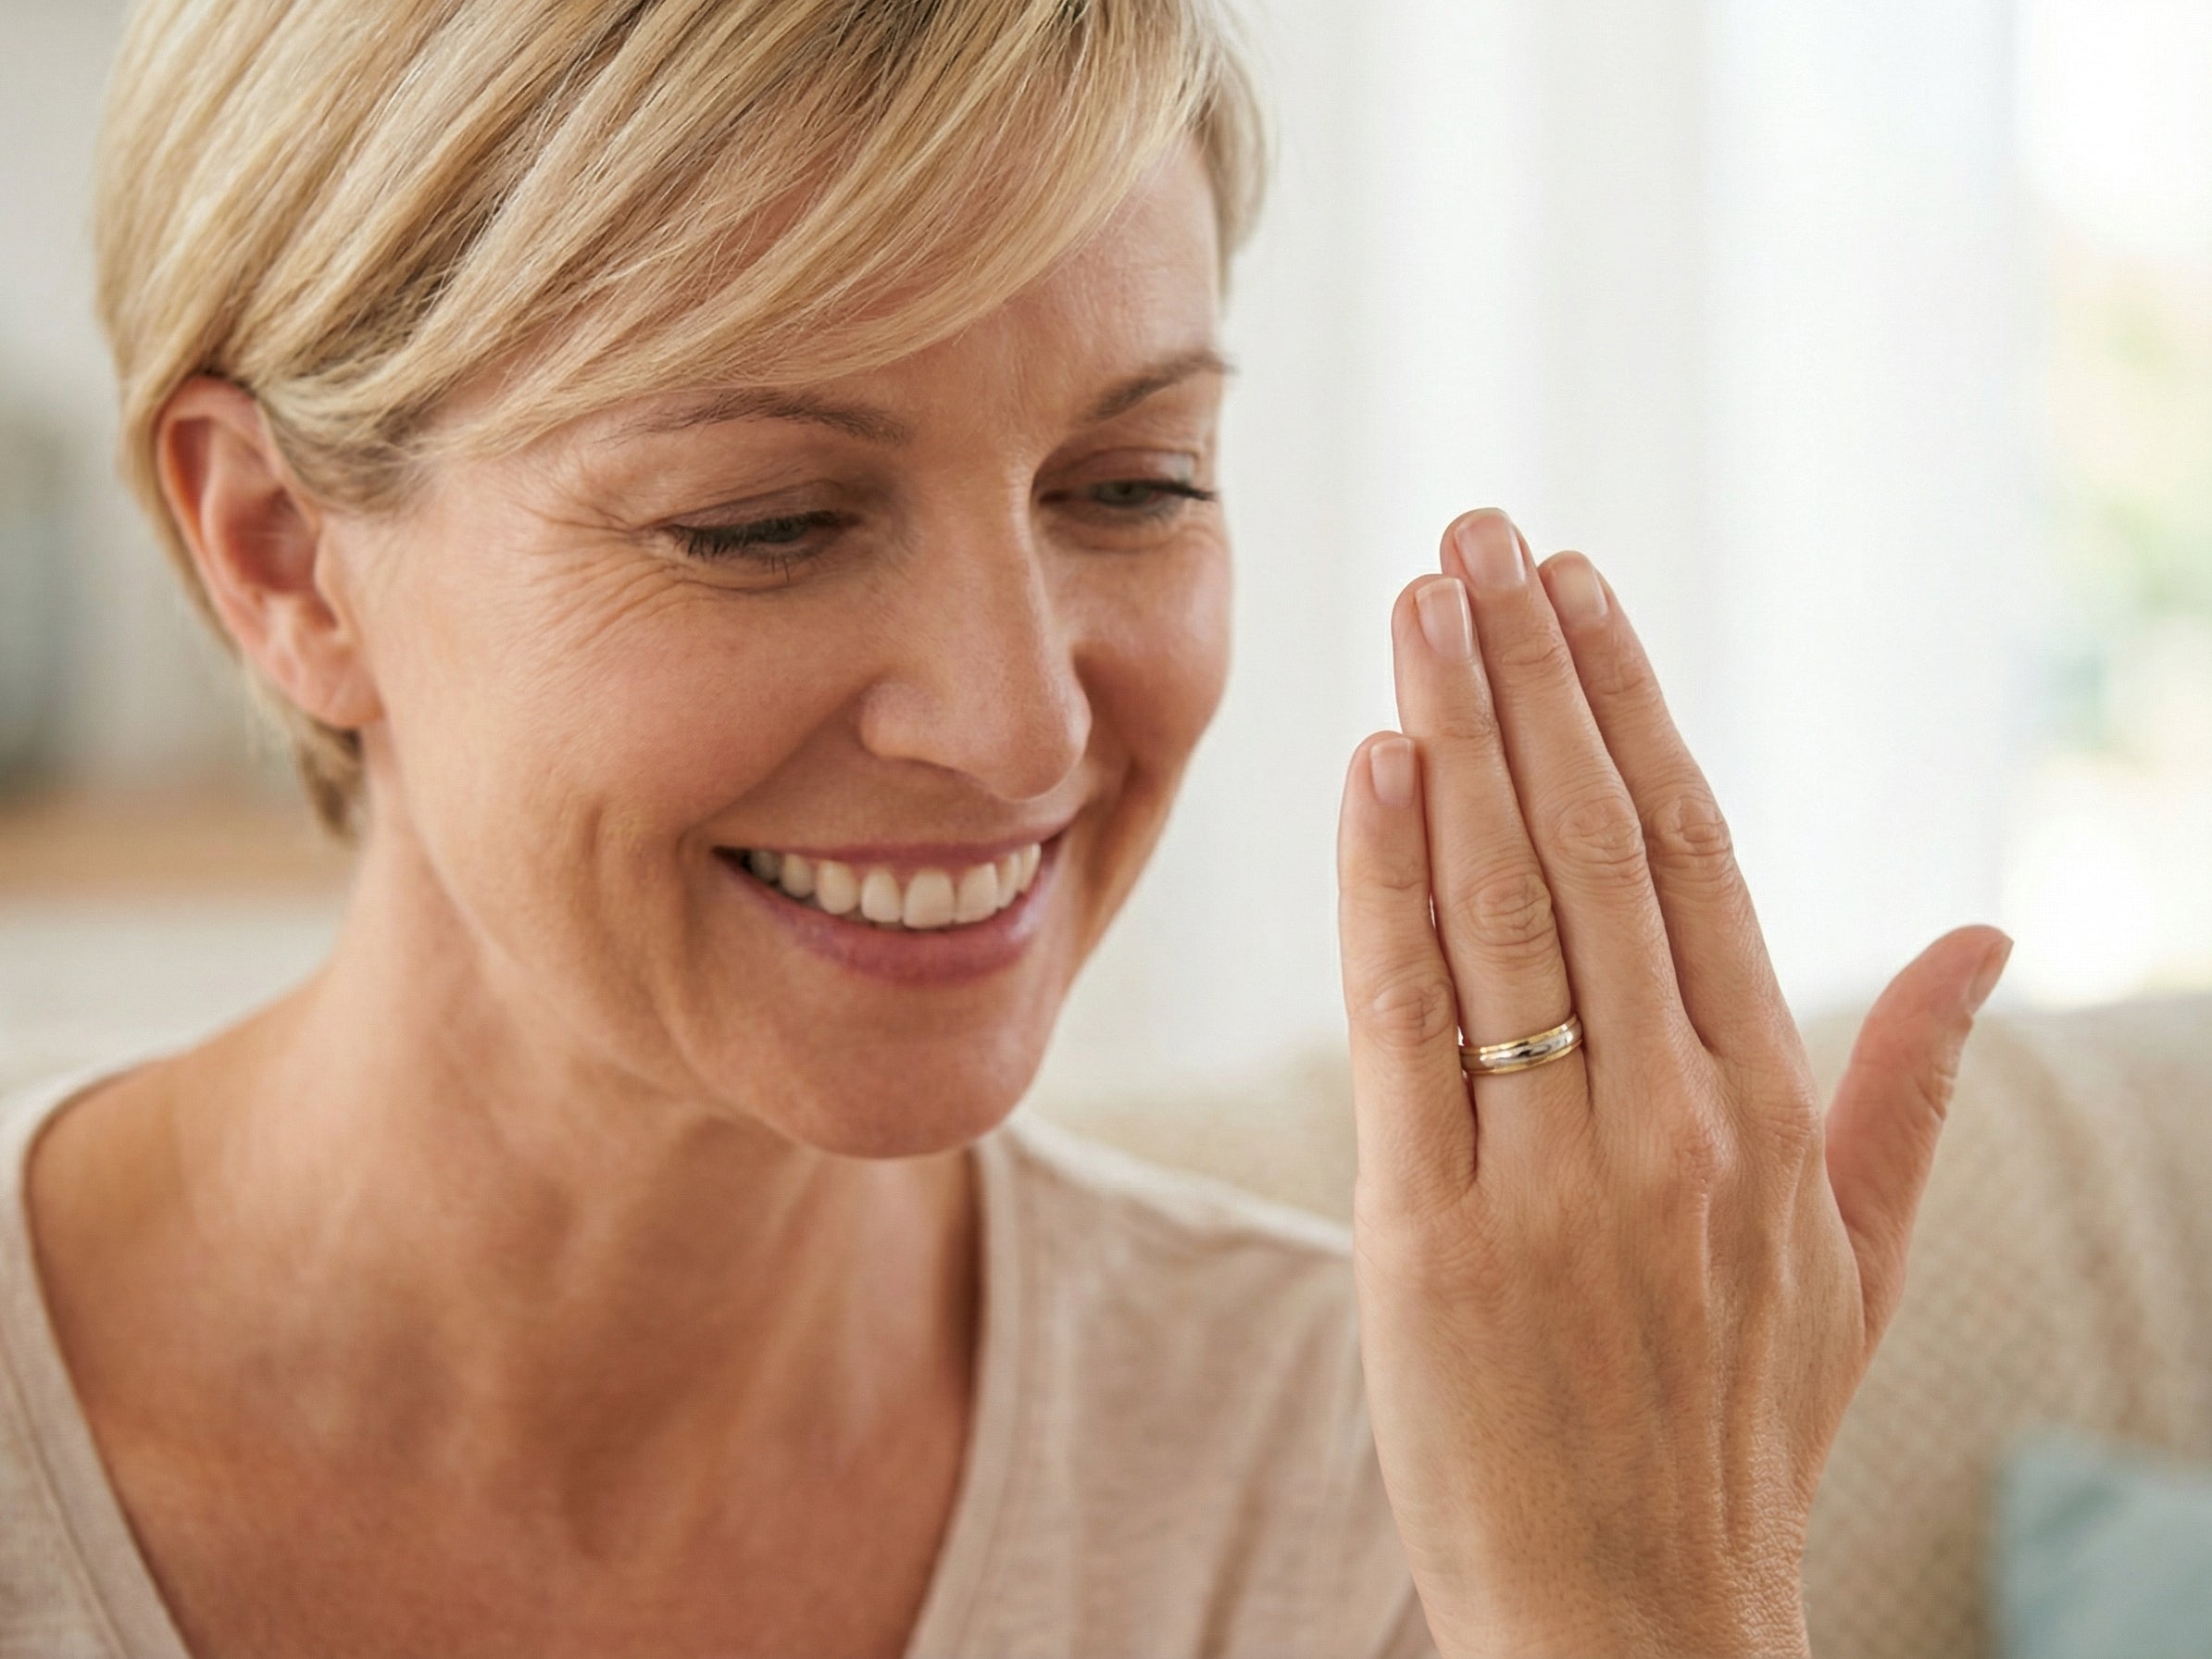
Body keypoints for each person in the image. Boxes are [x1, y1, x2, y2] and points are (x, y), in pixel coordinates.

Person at [0, 1, 2012, 1653]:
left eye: (1133, 482)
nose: (1020, 718)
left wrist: (1653, 1612)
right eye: (764, 521)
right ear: (280, 556)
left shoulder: (1423, 1482)